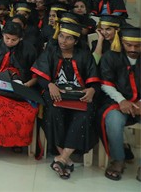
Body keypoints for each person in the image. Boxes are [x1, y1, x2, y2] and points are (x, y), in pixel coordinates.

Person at [31, 15, 100, 179]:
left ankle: (61, 158)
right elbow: (41, 75)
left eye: (69, 38)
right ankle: (65, 158)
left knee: (84, 114)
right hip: (56, 93)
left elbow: (94, 81)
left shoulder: (84, 55)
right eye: (61, 36)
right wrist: (50, 84)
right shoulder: (51, 52)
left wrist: (92, 90)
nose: (63, 41)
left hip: (78, 95)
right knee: (52, 112)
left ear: (76, 41)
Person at [0, 21, 39, 163]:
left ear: (21, 38)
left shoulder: (29, 49)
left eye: (14, 40)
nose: (10, 42)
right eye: (7, 38)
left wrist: (27, 85)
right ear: (3, 35)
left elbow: (36, 75)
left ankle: (16, 142)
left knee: (27, 109)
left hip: (22, 88)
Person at [97, 24, 141, 182]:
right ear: (121, 42)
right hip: (116, 100)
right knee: (113, 120)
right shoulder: (111, 56)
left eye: (138, 45)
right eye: (129, 45)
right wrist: (122, 100)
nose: (133, 49)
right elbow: (105, 83)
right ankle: (118, 160)